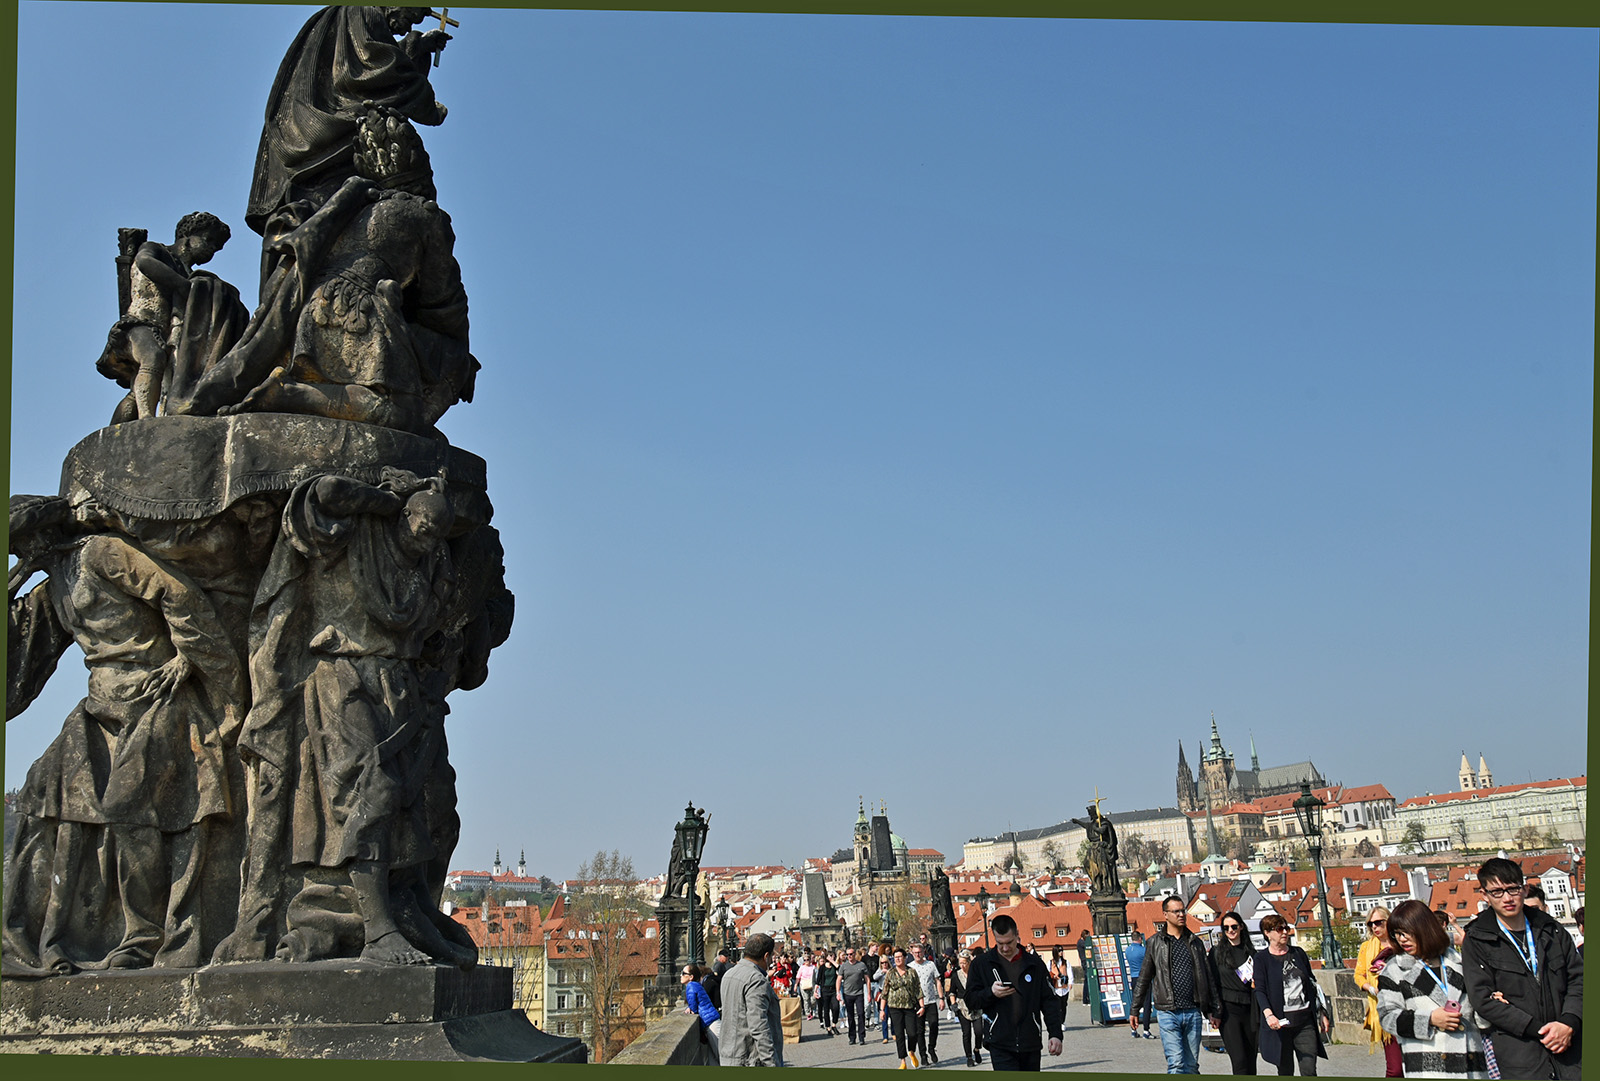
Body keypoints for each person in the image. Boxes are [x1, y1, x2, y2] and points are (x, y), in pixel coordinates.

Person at [95, 212, 246, 421]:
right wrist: (184, 286)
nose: (212, 248)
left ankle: (119, 429)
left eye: (217, 247)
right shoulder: (157, 250)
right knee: (153, 357)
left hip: (167, 334)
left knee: (142, 390)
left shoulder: (188, 272)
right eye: (208, 240)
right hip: (139, 324)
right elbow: (145, 262)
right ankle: (147, 419)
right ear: (188, 235)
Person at [1461, 857, 1582, 1080]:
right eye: (1497, 892)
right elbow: (1482, 999)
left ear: (1524, 889)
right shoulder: (1477, 939)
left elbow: (1579, 979)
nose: (1507, 898)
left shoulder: (1551, 929)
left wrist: (1569, 1022)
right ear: (1485, 895)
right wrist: (1539, 1030)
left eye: (1512, 889)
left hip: (1571, 1049)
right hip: (1521, 1055)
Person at [1375, 900, 1489, 1078]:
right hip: (1428, 1067)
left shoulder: (1459, 962)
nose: (1402, 939)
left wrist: (1489, 1002)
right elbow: (1388, 1017)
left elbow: (1479, 1018)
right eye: (1397, 933)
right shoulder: (1394, 970)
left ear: (1425, 929)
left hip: (1471, 1066)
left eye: (1407, 932)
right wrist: (1429, 1019)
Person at [1129, 894, 1220, 1074]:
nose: (1181, 915)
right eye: (1176, 911)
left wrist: (1214, 1008)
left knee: (1191, 1065)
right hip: (1168, 1011)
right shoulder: (1155, 943)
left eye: (1182, 911)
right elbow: (1144, 978)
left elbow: (1207, 977)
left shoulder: (1195, 942)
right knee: (1176, 1064)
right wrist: (1135, 1009)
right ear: (1165, 914)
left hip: (1193, 1010)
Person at [964, 913, 1066, 1071]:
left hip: (1030, 1041)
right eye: (1000, 943)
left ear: (1017, 935)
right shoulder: (982, 964)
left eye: (1009, 942)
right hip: (1000, 1042)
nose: (1005, 948)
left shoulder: (1034, 964)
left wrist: (1055, 1034)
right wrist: (991, 993)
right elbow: (970, 1000)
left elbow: (1049, 1001)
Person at [1253, 914, 1329, 1076]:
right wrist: (1269, 1015)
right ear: (1267, 933)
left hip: (1304, 1021)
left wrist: (1322, 1012)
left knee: (1309, 1070)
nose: (1285, 932)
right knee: (1285, 1070)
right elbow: (1260, 990)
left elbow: (1312, 983)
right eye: (1279, 929)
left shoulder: (1298, 953)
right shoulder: (1261, 959)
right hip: (1280, 1024)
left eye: (1286, 928)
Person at [720, 932, 785, 1066]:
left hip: (729, 1054)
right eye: (771, 957)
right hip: (749, 1059)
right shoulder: (756, 980)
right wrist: (771, 1063)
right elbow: (759, 1026)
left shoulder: (729, 974)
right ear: (766, 956)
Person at [1353, 906, 1403, 1077]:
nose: (1375, 927)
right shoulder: (1367, 948)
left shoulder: (1401, 943)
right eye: (1371, 924)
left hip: (1406, 1006)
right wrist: (1370, 988)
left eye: (1379, 922)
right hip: (1383, 1009)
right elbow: (1358, 975)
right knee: (1395, 1068)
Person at [1211, 912, 1260, 1074]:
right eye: (1226, 928)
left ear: (1241, 927)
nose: (1230, 930)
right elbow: (1212, 983)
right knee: (1239, 1060)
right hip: (1228, 1011)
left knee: (1251, 1059)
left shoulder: (1252, 953)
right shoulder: (1216, 953)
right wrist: (1213, 1012)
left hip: (1250, 1010)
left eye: (1234, 926)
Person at [883, 946, 925, 1068]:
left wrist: (922, 1006)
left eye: (900, 957)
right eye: (895, 957)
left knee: (912, 1033)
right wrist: (882, 1010)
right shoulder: (890, 973)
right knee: (899, 1034)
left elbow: (918, 989)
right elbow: (885, 992)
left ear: (905, 958)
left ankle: (911, 1051)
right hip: (894, 1007)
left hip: (909, 1006)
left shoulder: (912, 972)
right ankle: (903, 1061)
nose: (897, 959)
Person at [948, 948, 986, 1066]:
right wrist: (953, 1004)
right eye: (960, 963)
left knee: (979, 1031)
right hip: (962, 1007)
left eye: (964, 963)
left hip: (976, 1006)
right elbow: (952, 992)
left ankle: (977, 1049)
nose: (962, 966)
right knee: (966, 1033)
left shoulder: (976, 974)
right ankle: (969, 1057)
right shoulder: (956, 975)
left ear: (969, 962)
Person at [910, 941, 944, 1063]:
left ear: (924, 952)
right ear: (912, 953)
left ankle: (931, 1048)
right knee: (919, 1031)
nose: (918, 955)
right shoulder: (910, 967)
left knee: (934, 1025)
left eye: (919, 952)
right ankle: (923, 1054)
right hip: (917, 1003)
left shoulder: (930, 964)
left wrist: (941, 998)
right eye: (915, 953)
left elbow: (937, 981)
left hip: (930, 1000)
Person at [683, 963, 722, 1059]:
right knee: (713, 1058)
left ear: (691, 977)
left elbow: (693, 1007)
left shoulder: (691, 986)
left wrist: (690, 1009)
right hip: (711, 1022)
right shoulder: (697, 985)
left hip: (710, 1023)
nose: (681, 975)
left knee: (722, 1056)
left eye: (684, 973)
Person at [839, 946, 870, 1045]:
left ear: (855, 954)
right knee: (850, 1016)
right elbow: (838, 979)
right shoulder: (844, 966)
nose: (849, 956)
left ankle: (861, 1037)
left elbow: (867, 979)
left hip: (859, 993)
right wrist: (838, 993)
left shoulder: (861, 965)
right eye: (847, 954)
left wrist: (869, 994)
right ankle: (852, 1037)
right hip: (848, 993)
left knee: (861, 1014)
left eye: (851, 954)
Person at [1122, 932, 1151, 1038]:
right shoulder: (1144, 950)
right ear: (1140, 938)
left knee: (1135, 1003)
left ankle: (1133, 1029)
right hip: (1144, 978)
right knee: (1147, 1004)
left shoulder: (1128, 950)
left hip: (1133, 978)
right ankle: (1146, 1030)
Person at [816, 950, 840, 1035]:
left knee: (836, 1007)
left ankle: (834, 1024)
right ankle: (828, 1027)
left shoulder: (834, 966)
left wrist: (833, 962)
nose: (832, 957)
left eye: (833, 956)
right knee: (826, 1009)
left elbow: (840, 969)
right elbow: (818, 980)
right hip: (825, 990)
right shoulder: (822, 967)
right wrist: (815, 991)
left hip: (833, 990)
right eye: (830, 956)